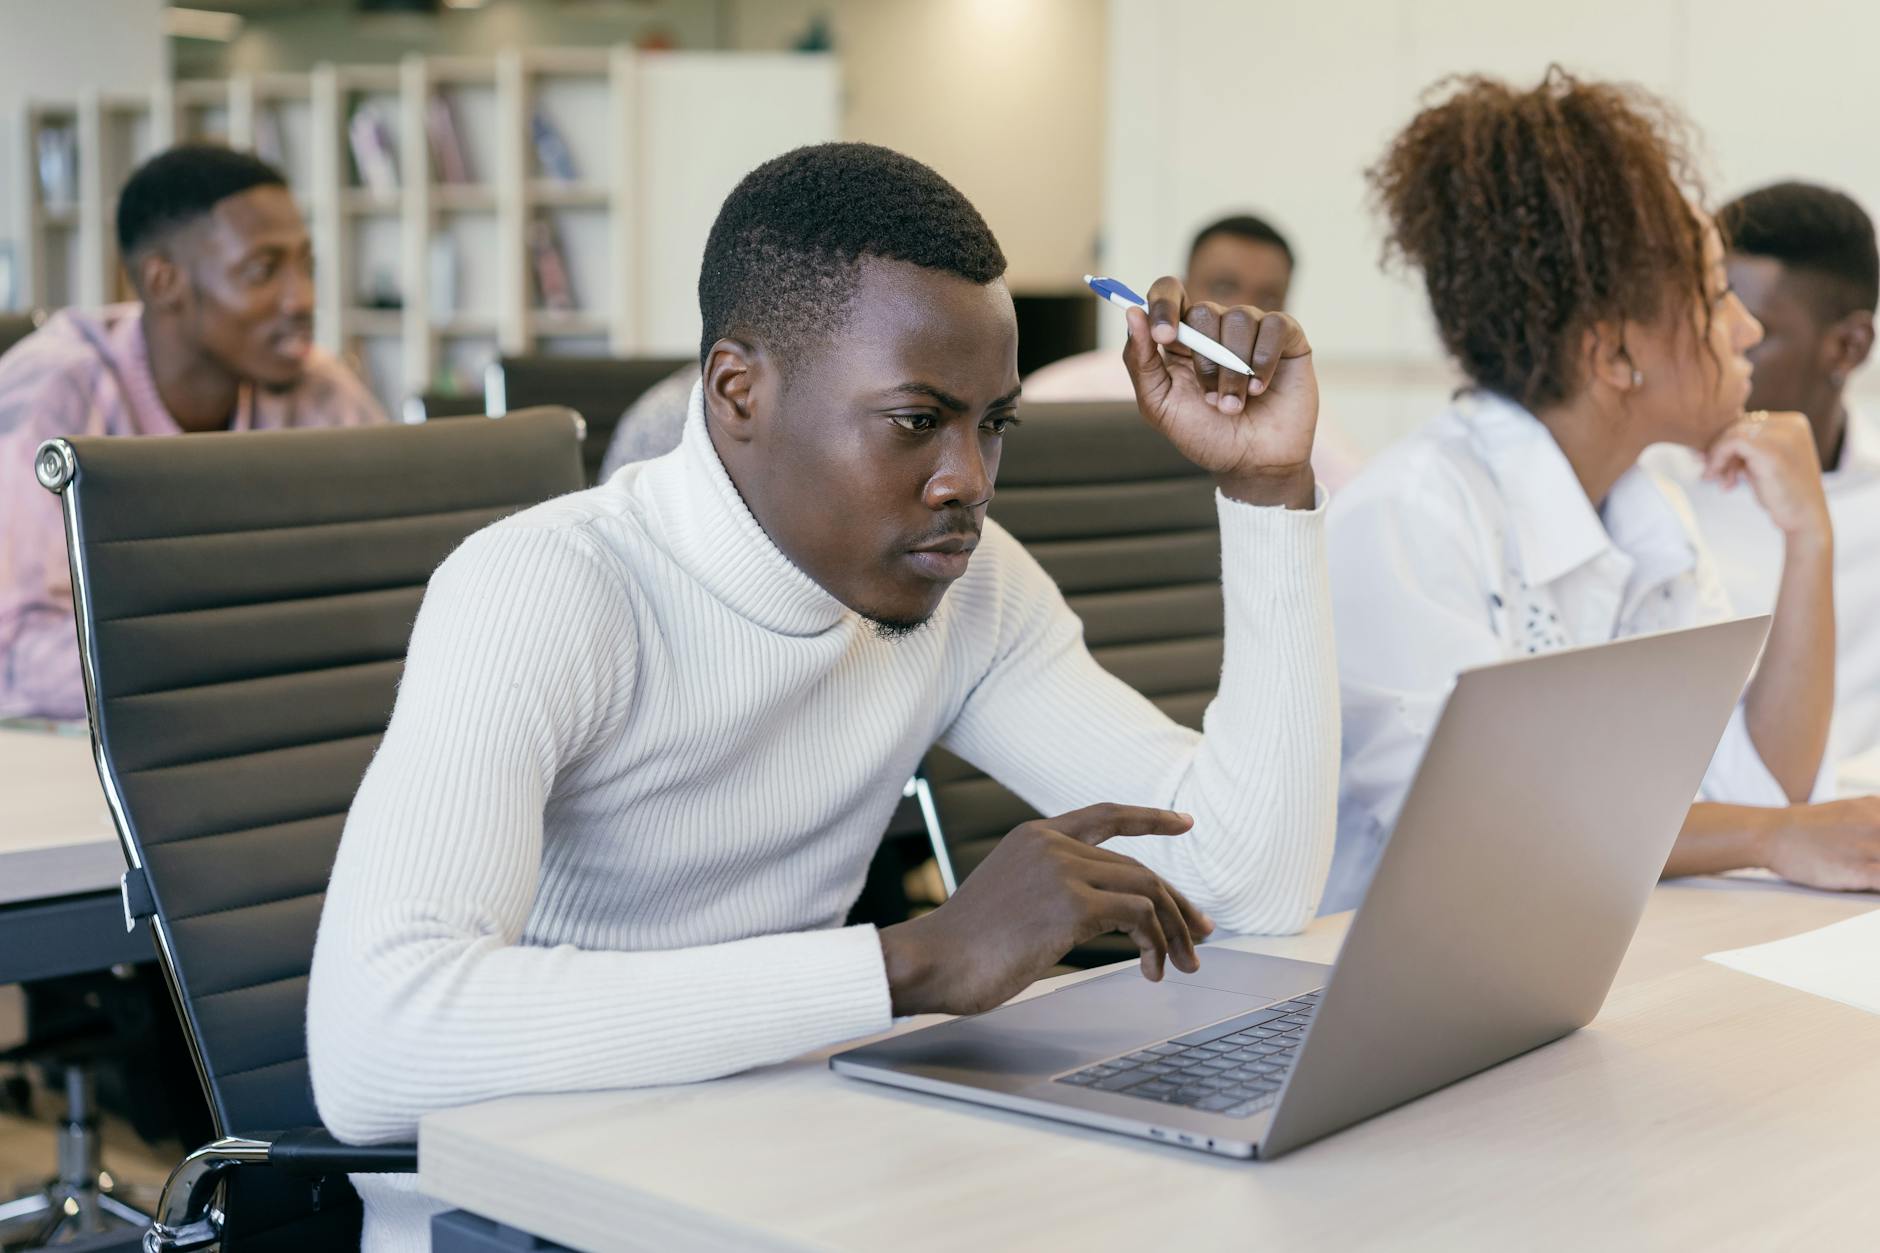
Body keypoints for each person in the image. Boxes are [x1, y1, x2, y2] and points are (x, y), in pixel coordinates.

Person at [308, 142, 1339, 1249]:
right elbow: (377, 1045)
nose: (969, 481)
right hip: (527, 1209)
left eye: (991, 423)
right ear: (738, 391)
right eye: (914, 421)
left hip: (780, 1160)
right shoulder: (550, 586)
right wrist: (909, 961)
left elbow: (1250, 874)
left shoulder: (962, 581)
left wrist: (1265, 485)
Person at [1323, 69, 1880, 915]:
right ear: (1615, 356)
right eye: (1715, 293)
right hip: (1333, 986)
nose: (1748, 328)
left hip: (1545, 960)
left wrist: (1810, 538)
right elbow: (1495, 832)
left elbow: (1763, 781)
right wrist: (1766, 837)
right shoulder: (1411, 515)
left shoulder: (1646, 512)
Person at [0, 143, 387, 720]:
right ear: (164, 282)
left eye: (306, 266)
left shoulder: (321, 389)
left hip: (270, 726)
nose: (302, 298)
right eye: (263, 271)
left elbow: (407, 574)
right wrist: (251, 647)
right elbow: (20, 659)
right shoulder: (56, 392)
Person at [1646, 183, 1880, 768]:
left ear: (1847, 348)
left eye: (1756, 333)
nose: (1721, 352)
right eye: (1709, 321)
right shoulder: (1650, 483)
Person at [1024, 213, 1366, 491]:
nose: (1243, 310)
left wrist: (1278, 479)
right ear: (1182, 288)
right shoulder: (1065, 391)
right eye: (1223, 286)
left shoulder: (1292, 415)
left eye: (1268, 298)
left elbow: (1355, 507)